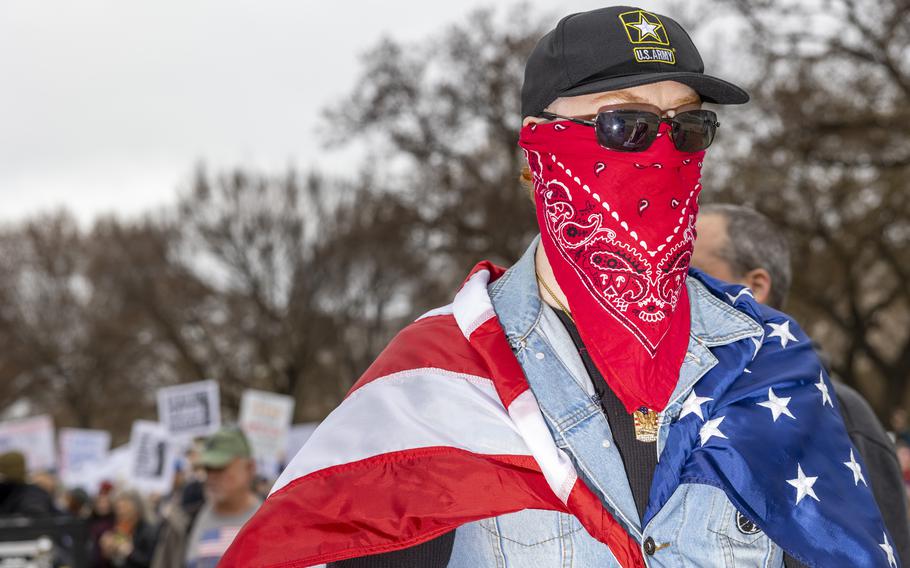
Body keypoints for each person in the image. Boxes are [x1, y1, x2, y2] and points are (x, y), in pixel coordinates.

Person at [223, 6, 895, 567]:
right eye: (624, 126)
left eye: (689, 128)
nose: (661, 152)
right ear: (538, 149)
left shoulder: (772, 369)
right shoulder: (436, 381)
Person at [691, 202, 910, 563]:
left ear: (755, 286)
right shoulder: (671, 406)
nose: (674, 288)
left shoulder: (842, 416)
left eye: (693, 272)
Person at [153, 425, 260, 568]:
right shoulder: (183, 521)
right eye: (208, 468)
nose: (212, 476)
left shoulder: (276, 521)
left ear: (250, 468)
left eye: (220, 467)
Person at [96, 490, 157, 568]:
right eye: (117, 508)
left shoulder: (148, 530)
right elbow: (119, 559)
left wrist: (129, 552)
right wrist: (110, 550)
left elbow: (151, 561)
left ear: (136, 508)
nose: (119, 512)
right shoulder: (122, 527)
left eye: (123, 508)